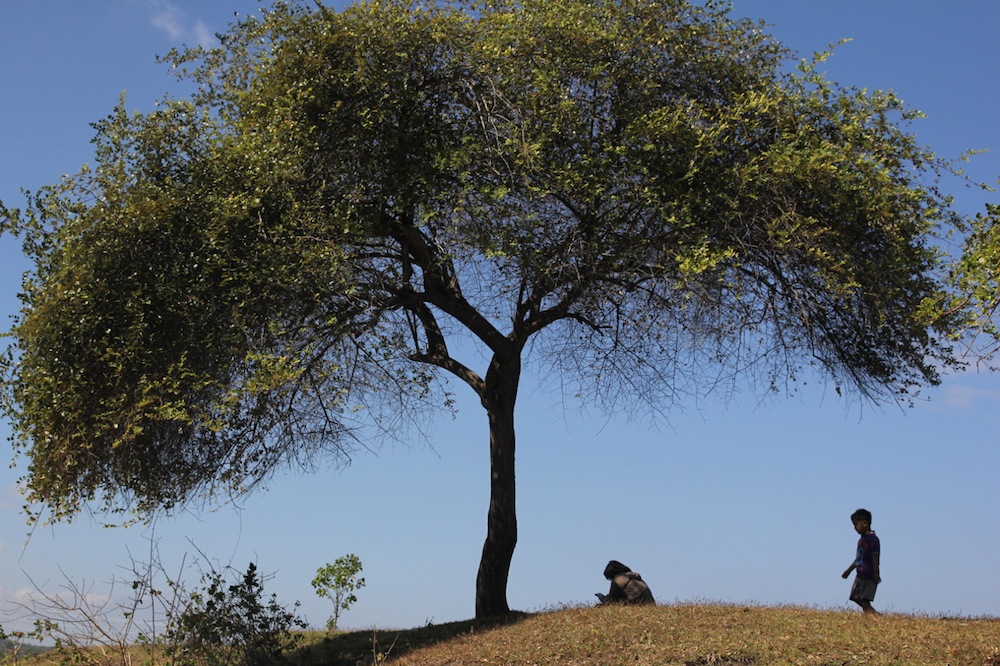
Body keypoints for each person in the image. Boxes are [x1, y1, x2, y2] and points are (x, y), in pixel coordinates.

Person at [841, 508, 881, 614]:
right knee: (855, 596)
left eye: (856, 525)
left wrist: (876, 573)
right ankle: (870, 614)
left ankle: (874, 616)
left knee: (864, 599)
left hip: (869, 575)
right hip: (860, 574)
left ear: (865, 523)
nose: (855, 528)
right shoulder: (861, 540)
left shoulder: (872, 539)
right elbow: (858, 558)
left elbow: (875, 557)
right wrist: (848, 570)